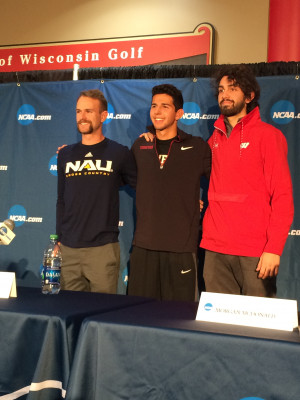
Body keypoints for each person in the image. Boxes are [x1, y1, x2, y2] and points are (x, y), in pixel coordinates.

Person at [200, 64, 294, 297]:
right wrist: (152, 134)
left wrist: (273, 249)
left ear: (250, 96)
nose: (225, 95)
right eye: (221, 90)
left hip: (255, 250)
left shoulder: (269, 136)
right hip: (215, 248)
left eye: (233, 88)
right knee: (219, 326)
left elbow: (282, 196)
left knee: (258, 328)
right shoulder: (213, 139)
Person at [128, 84, 211, 302]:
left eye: (165, 106)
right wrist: (71, 154)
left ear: (179, 113)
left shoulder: (197, 147)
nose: (157, 111)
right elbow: (119, 174)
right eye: (154, 106)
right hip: (143, 248)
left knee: (178, 321)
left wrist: (197, 203)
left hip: (180, 249)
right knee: (137, 317)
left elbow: (223, 183)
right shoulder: (140, 146)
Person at [56, 89, 136, 294]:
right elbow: (61, 200)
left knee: (100, 318)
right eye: (78, 111)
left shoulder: (119, 153)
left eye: (89, 111)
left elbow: (146, 188)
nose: (82, 117)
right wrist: (58, 240)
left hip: (102, 249)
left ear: (103, 116)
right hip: (69, 250)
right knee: (69, 314)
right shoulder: (65, 154)